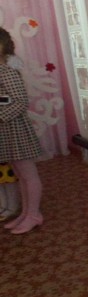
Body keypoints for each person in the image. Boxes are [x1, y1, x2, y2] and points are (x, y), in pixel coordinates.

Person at [0, 27, 43, 234]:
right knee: (20, 174)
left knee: (28, 174)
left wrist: (1, 114)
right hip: (7, 131)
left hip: (15, 129)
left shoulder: (6, 71)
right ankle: (26, 213)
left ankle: (33, 214)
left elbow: (21, 101)